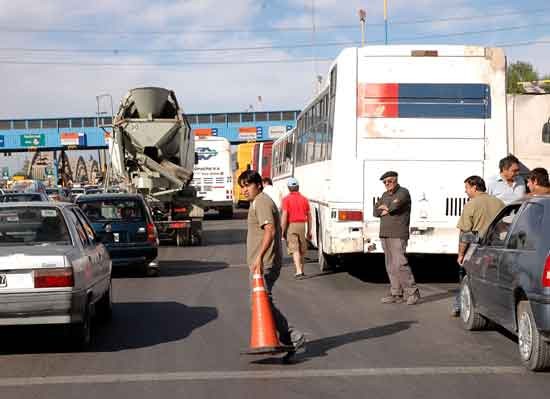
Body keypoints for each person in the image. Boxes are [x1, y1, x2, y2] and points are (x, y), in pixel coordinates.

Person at [238, 170, 305, 352]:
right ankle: (287, 339)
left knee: (261, 302)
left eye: (248, 185)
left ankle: (292, 336)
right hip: (261, 262)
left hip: (265, 262)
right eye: (242, 187)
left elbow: (270, 231)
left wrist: (259, 257)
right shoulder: (257, 202)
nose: (245, 190)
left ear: (258, 184)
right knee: (261, 301)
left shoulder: (261, 202)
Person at [453, 175, 504, 317]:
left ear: (474, 187)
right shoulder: (498, 202)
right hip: (495, 247)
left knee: (467, 278)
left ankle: (460, 306)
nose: (466, 191)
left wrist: (461, 254)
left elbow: (465, 233)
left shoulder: (471, 205)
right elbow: (505, 226)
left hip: (475, 248)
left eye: (467, 188)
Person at [373, 171, 420, 305]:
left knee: (400, 264)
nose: (387, 184)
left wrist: (386, 208)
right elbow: (375, 211)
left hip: (398, 234)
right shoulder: (384, 195)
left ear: (395, 181)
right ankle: (396, 293)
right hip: (385, 234)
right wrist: (383, 208)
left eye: (390, 181)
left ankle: (412, 292)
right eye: (385, 182)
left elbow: (395, 206)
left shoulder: (403, 193)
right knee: (390, 265)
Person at [281, 177, 312, 279]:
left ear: (289, 188)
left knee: (294, 248)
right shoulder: (304, 199)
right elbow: (309, 216)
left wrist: (282, 230)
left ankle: (298, 271)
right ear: (298, 187)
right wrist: (309, 231)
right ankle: (301, 270)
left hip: (291, 225)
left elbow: (285, 215)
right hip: (302, 225)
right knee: (302, 248)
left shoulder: (286, 199)